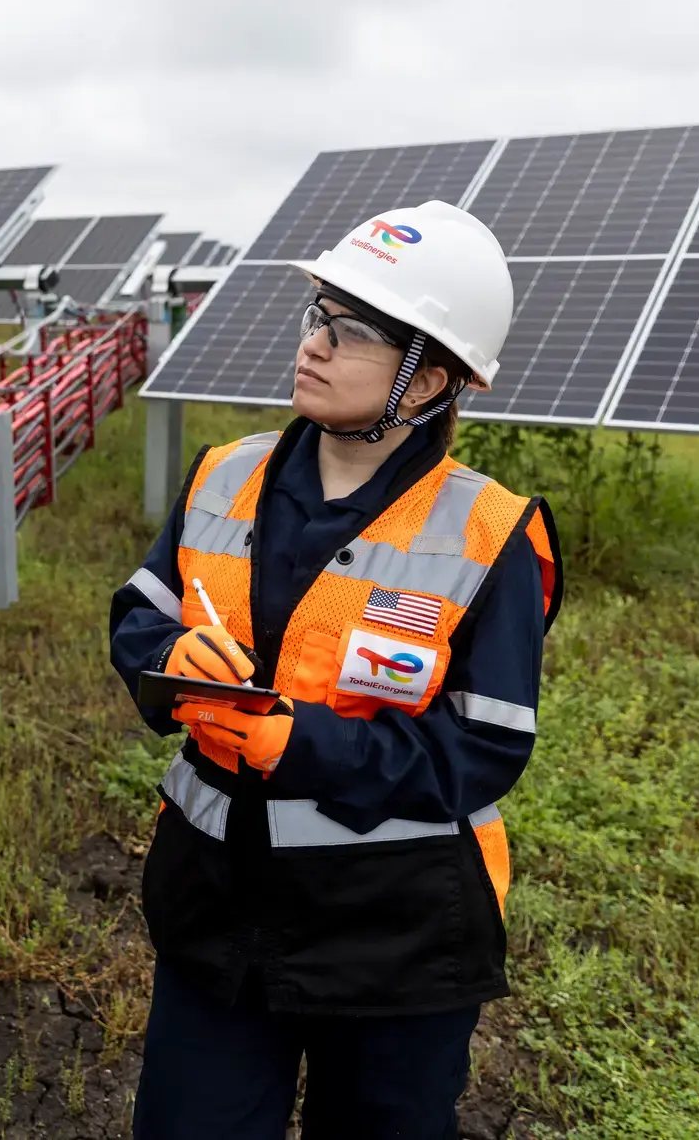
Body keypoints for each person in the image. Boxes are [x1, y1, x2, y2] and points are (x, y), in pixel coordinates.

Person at [111, 201, 563, 1139]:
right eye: (318, 314)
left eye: (352, 330)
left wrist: (301, 745)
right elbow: (141, 614)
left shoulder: (491, 534)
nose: (314, 344)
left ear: (428, 377)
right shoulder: (223, 476)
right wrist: (165, 657)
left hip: (396, 938)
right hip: (216, 915)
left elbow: (483, 748)